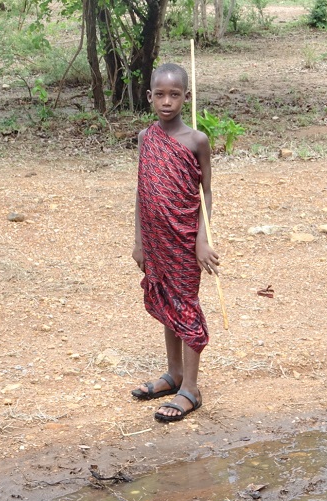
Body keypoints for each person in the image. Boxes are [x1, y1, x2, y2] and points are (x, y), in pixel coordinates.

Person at [131, 63, 219, 423]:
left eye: (175, 95)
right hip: (155, 239)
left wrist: (202, 240)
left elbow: (206, 193)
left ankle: (191, 389)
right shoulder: (145, 138)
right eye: (160, 95)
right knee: (168, 303)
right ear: (150, 97)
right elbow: (142, 191)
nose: (167, 102)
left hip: (184, 239)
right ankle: (175, 373)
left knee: (185, 306)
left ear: (186, 97)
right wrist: (139, 240)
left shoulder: (196, 141)